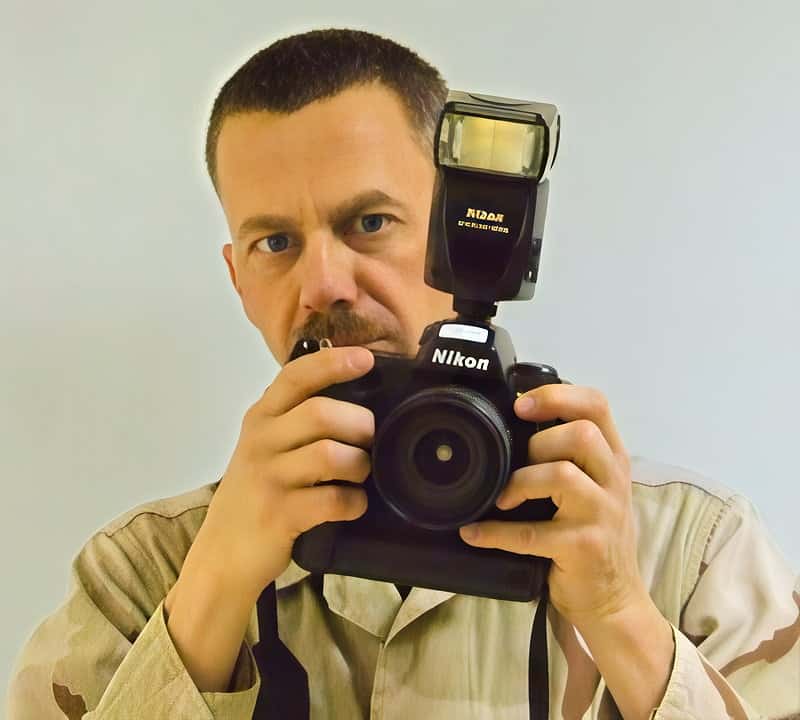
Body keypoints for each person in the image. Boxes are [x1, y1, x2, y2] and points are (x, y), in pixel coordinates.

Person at [7, 28, 799, 720]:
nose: (324, 284)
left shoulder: (687, 551)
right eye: (275, 243)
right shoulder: (141, 575)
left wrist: (622, 611)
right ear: (238, 279)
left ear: (458, 232)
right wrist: (212, 591)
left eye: (370, 222)